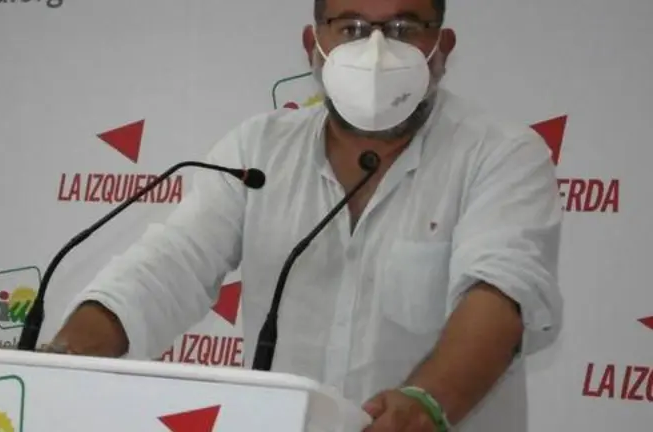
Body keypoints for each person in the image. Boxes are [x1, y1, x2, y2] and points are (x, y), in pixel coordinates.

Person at [47, 0, 563, 430]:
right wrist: (69, 356)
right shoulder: (258, 148)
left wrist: (427, 404)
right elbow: (171, 263)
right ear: (313, 45)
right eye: (351, 28)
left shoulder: (501, 153)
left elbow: (500, 294)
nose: (376, 51)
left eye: (404, 29)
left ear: (441, 48)